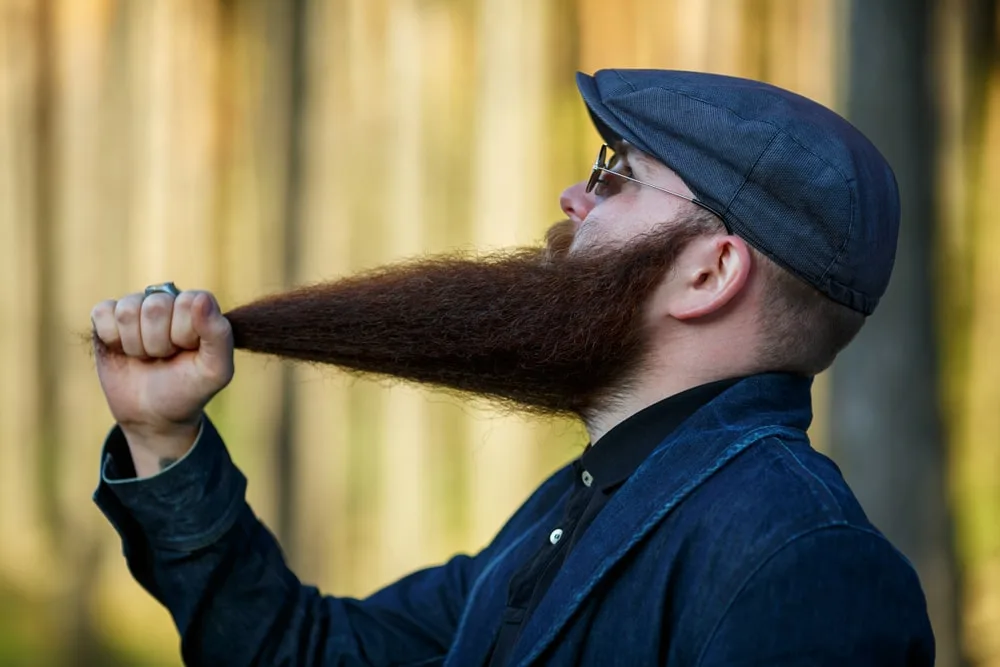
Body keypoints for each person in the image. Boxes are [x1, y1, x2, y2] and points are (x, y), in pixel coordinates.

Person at [90, 69, 935, 666]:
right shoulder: (580, 504)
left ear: (709, 273)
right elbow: (308, 652)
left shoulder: (803, 557)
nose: (574, 197)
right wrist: (163, 439)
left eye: (618, 176)